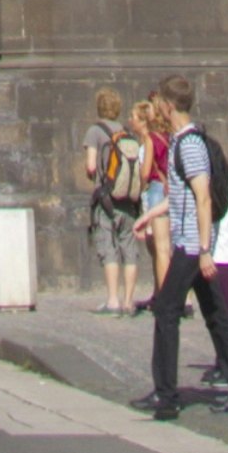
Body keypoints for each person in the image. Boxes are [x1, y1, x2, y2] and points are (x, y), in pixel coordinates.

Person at [143, 74, 228, 420]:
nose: (156, 111)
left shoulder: (189, 145)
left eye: (158, 104)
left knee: (165, 309)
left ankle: (166, 397)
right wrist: (149, 215)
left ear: (167, 105)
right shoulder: (179, 141)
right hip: (190, 244)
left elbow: (203, 198)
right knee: (217, 317)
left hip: (193, 247)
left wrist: (205, 249)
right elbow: (181, 198)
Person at [81, 89, 139, 315]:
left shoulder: (95, 131)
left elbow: (91, 167)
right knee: (129, 248)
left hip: (105, 198)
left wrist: (94, 177)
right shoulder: (126, 131)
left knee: (109, 247)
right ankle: (129, 301)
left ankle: (113, 301)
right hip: (128, 198)